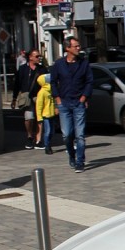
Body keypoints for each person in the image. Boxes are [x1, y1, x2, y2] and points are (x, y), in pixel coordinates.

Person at [49, 36, 93, 172]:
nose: (78, 48)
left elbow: (89, 81)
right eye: (76, 46)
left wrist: (84, 97)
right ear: (67, 48)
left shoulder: (84, 63)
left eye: (79, 46)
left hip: (78, 102)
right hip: (64, 102)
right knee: (67, 134)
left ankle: (80, 161)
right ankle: (72, 156)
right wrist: (57, 99)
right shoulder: (59, 64)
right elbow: (53, 82)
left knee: (80, 135)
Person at [11, 48, 47, 148]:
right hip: (26, 97)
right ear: (30, 57)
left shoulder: (42, 69)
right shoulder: (23, 69)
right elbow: (17, 84)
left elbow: (47, 83)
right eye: (36, 56)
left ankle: (39, 140)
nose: (39, 58)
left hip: (39, 96)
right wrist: (14, 98)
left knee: (40, 118)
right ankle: (30, 136)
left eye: (39, 56)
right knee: (29, 118)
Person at [34, 73, 58, 155]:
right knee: (47, 131)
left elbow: (54, 101)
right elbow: (39, 106)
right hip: (46, 115)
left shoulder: (51, 90)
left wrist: (55, 108)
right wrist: (39, 117)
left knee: (52, 132)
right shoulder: (42, 92)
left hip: (51, 114)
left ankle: (48, 144)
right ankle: (47, 146)